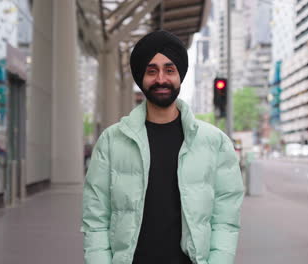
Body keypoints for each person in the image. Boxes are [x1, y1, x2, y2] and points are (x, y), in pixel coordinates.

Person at [81, 30, 245, 264]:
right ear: (141, 77)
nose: (160, 79)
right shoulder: (111, 141)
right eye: (151, 71)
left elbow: (225, 221)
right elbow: (95, 220)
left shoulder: (215, 143)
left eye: (169, 70)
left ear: (180, 76)